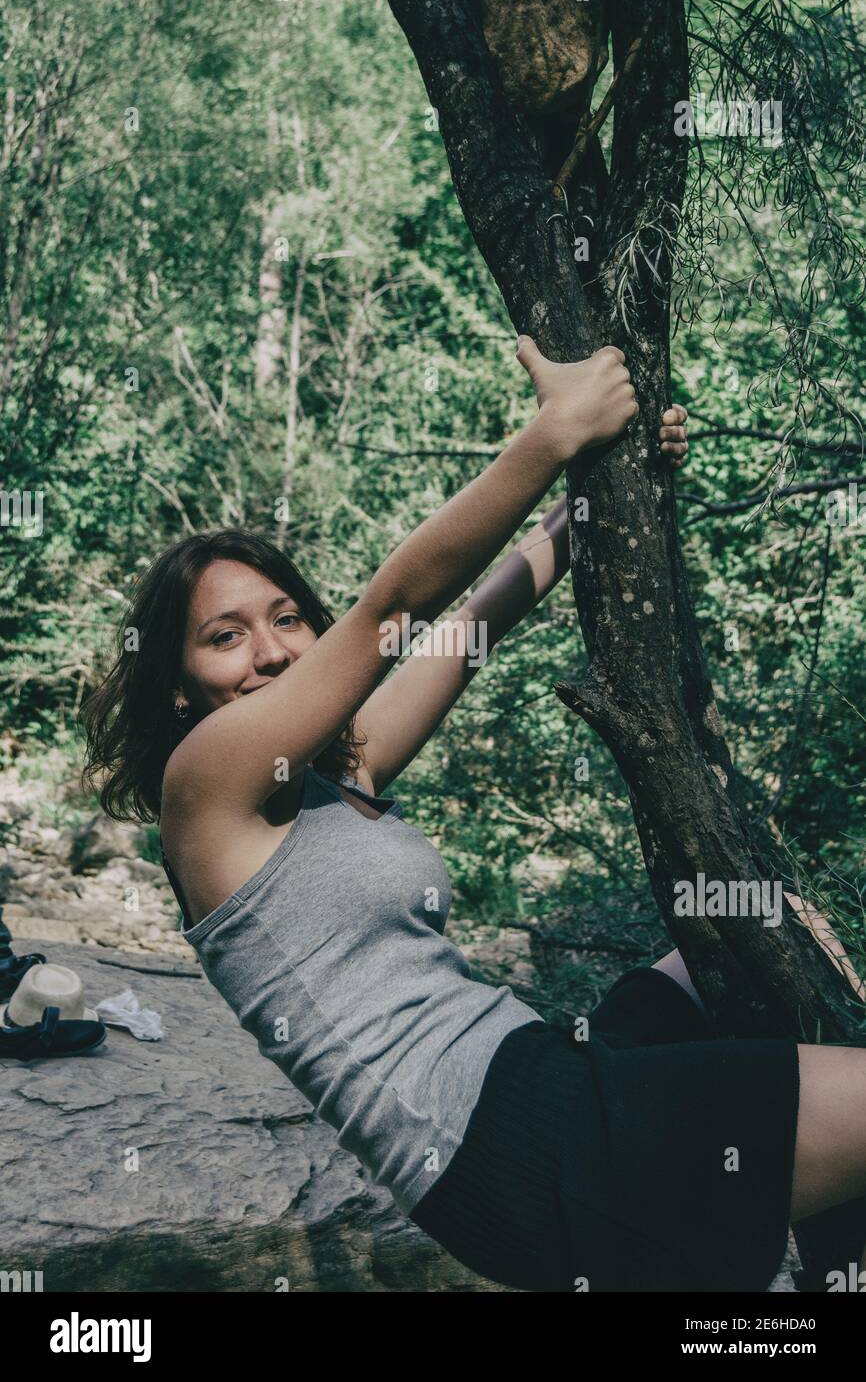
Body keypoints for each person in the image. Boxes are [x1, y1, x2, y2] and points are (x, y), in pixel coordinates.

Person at [80, 338, 866, 1292]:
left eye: (288, 618)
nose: (273, 651)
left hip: (541, 1076)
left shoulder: (337, 769)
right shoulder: (204, 790)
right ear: (176, 687)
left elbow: (468, 629)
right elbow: (396, 605)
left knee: (761, 929)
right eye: (225, 636)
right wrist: (553, 432)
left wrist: (601, 492)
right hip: (509, 1143)